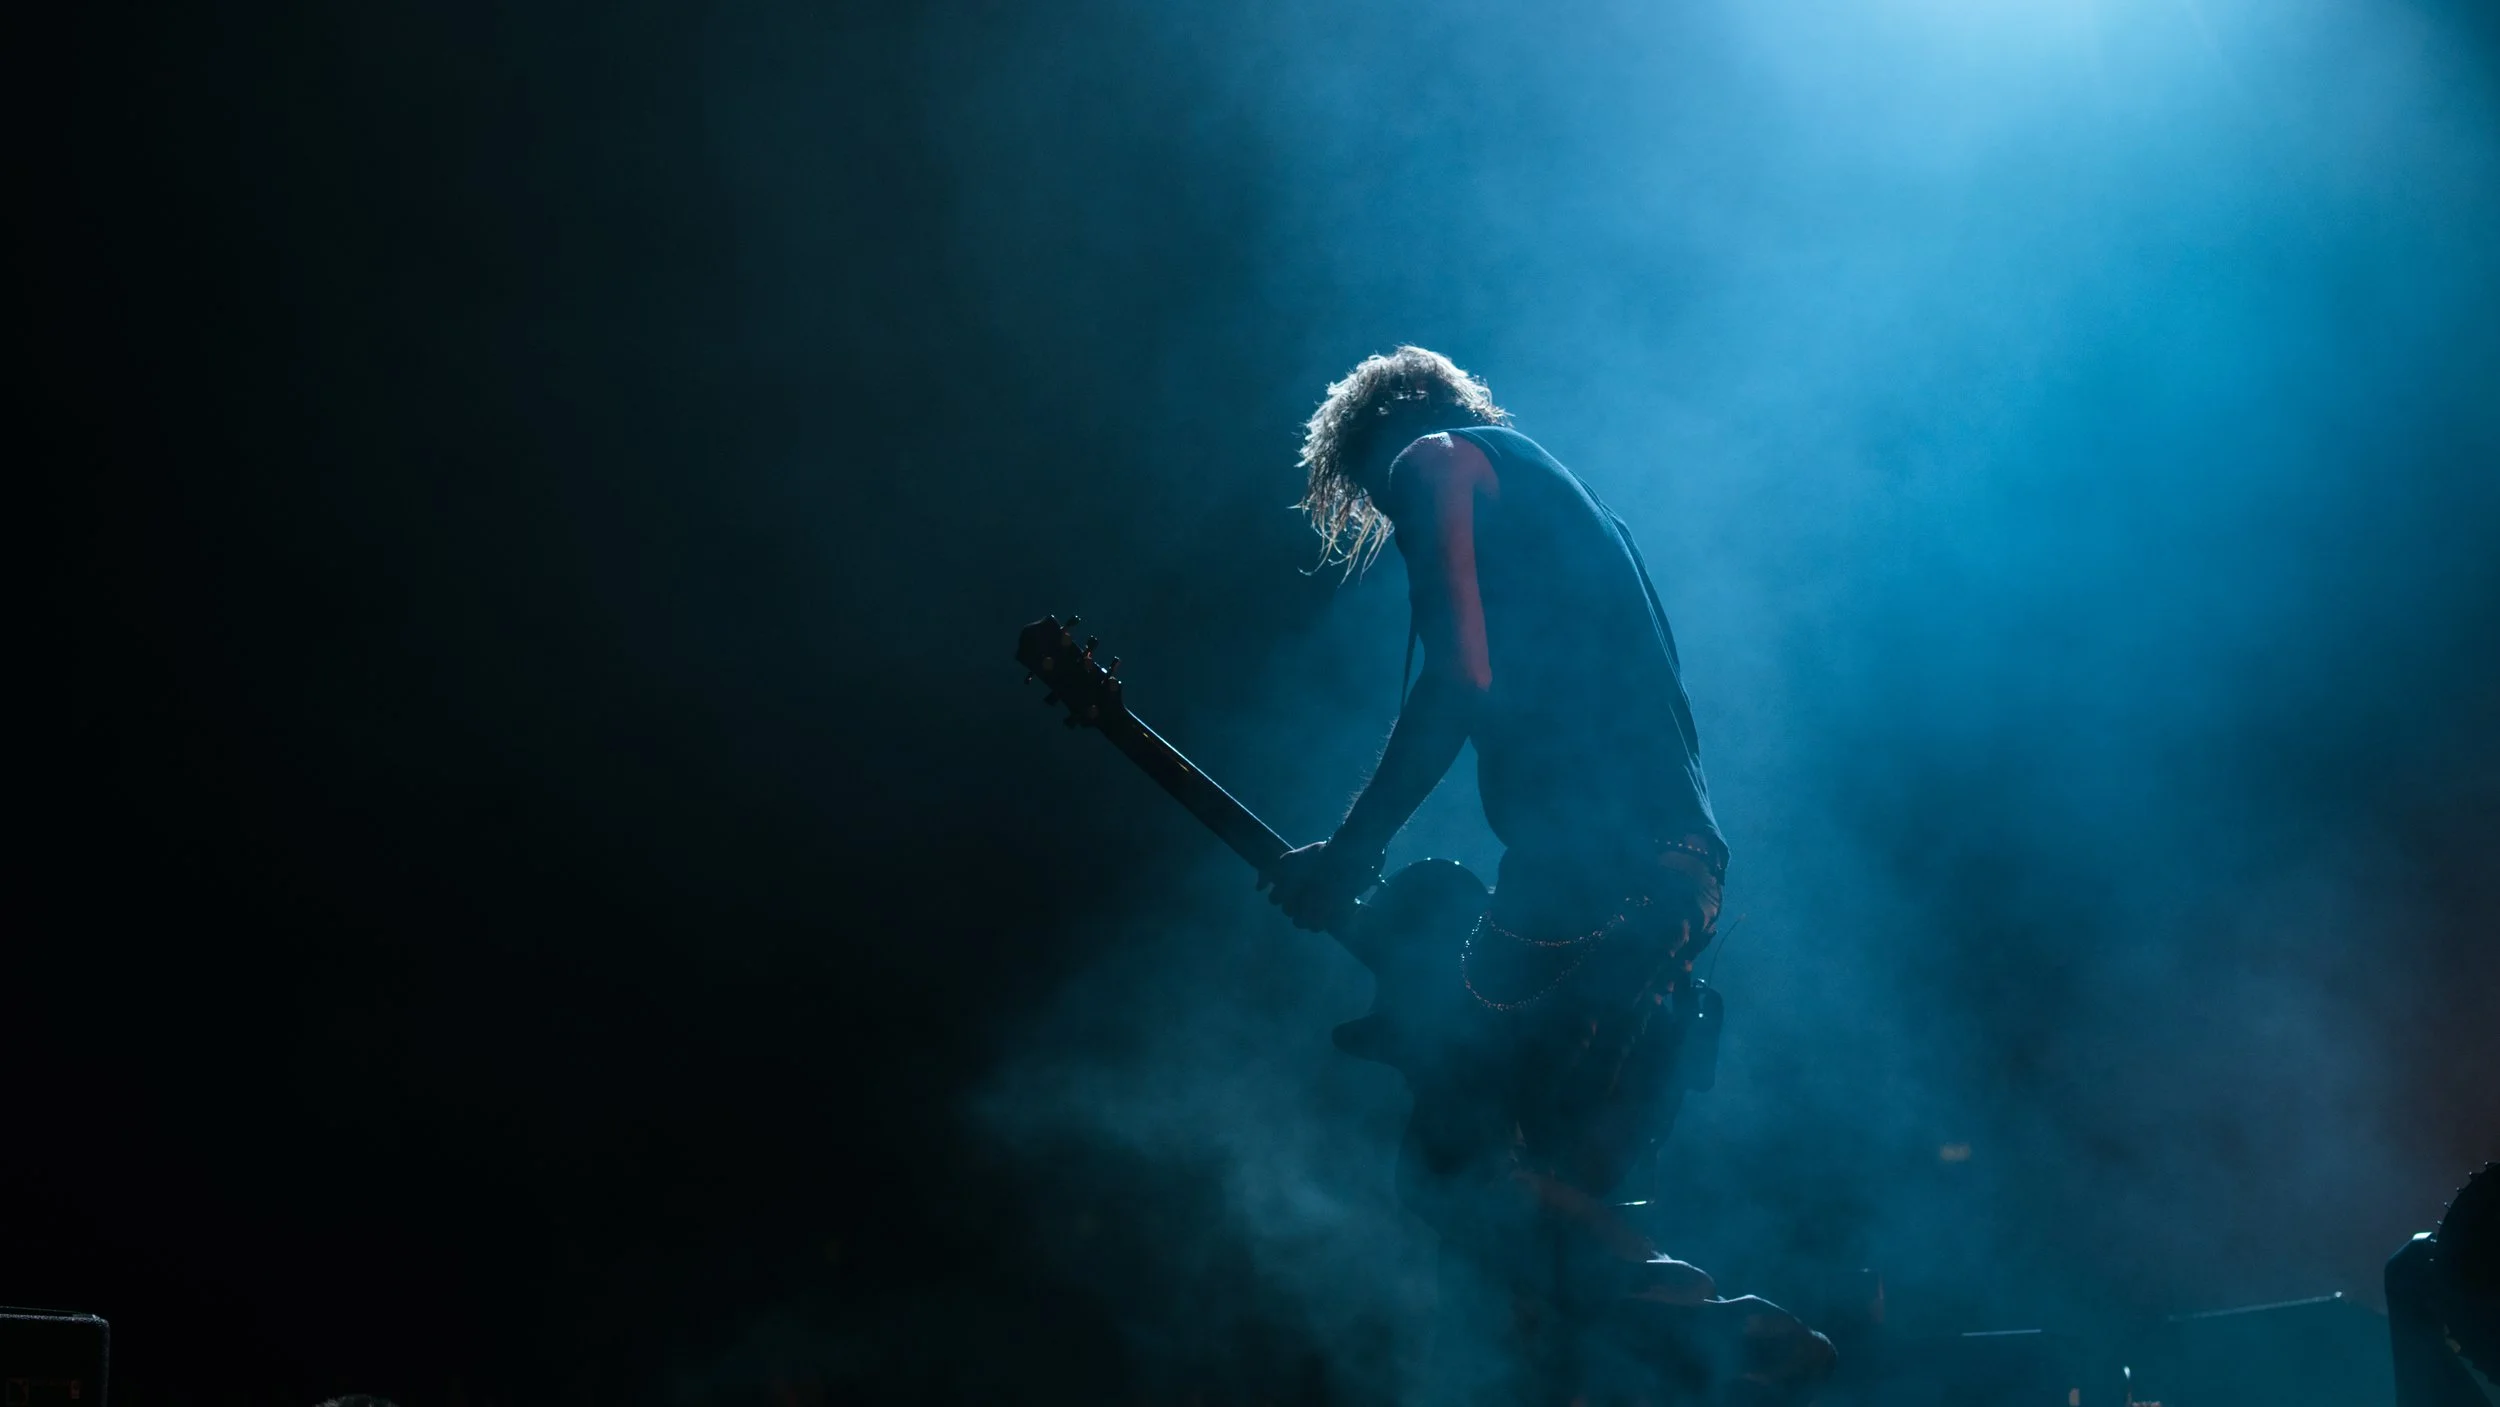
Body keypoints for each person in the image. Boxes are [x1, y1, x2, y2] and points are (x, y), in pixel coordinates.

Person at [1264, 347, 1829, 1404]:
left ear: (1366, 451)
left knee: (1447, 1167)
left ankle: (1704, 1322)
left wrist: (1352, 850)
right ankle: (1686, 1337)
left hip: (1587, 872)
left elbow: (1458, 677)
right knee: (1540, 1188)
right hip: (1673, 877)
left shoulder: (1436, 462)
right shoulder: (1568, 503)